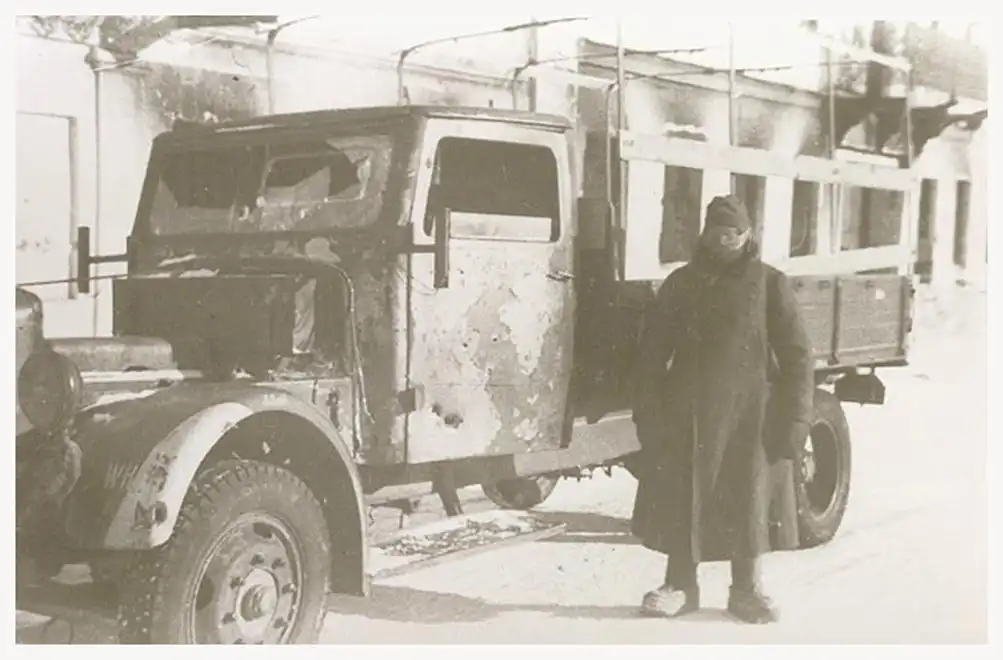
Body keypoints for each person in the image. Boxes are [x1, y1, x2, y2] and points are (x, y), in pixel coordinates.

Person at [629, 194, 814, 624]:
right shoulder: (681, 283)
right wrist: (648, 413)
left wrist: (797, 419)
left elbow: (798, 357)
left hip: (751, 417)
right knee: (685, 497)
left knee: (747, 498)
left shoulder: (769, 284)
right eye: (718, 232)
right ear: (705, 234)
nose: (725, 241)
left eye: (734, 233)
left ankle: (746, 590)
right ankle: (680, 586)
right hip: (688, 416)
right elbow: (651, 354)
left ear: (748, 235)